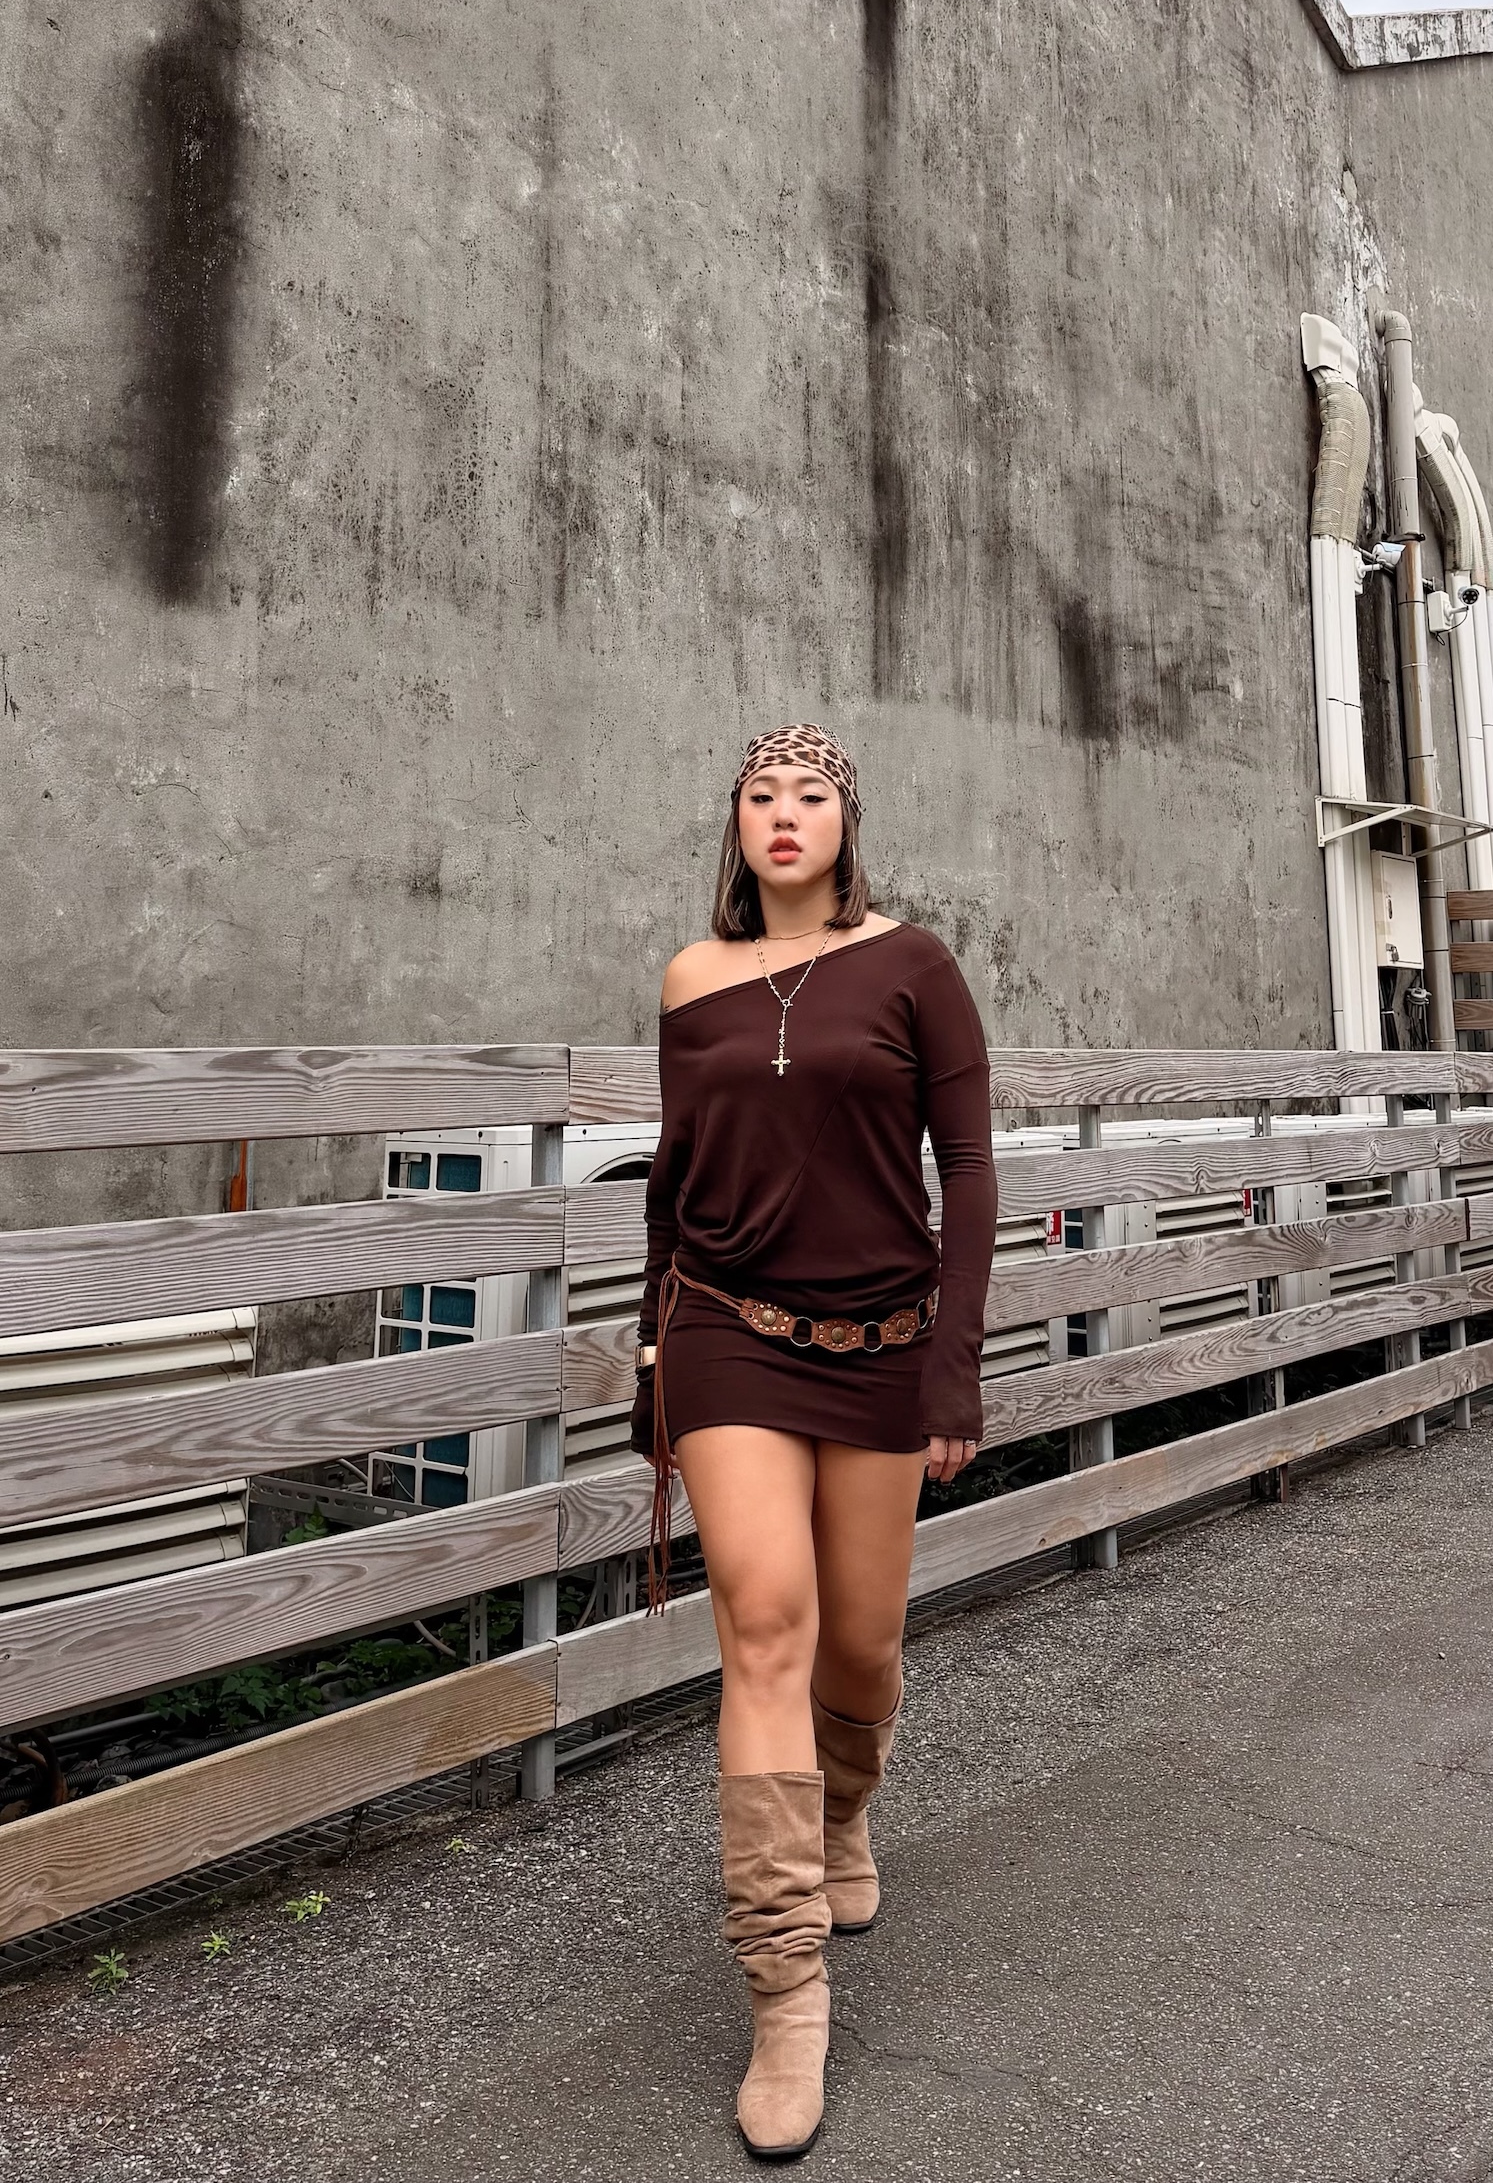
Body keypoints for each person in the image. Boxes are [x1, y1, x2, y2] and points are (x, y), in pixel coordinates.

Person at [631, 723, 998, 2161]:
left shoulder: (916, 966)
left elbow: (969, 1172)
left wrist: (954, 1369)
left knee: (861, 1647)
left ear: (849, 823)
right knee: (766, 1623)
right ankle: (787, 1994)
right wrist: (652, 1361)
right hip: (727, 1329)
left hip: (884, 1345)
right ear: (735, 824)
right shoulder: (690, 978)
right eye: (760, 795)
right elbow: (676, 1181)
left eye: (813, 795)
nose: (785, 813)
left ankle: (844, 1811)